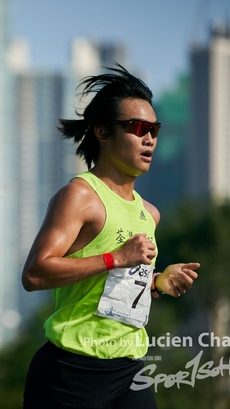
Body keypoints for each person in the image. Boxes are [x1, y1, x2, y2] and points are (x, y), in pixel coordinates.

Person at [21, 64, 200, 408]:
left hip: (130, 369)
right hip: (71, 371)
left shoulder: (150, 214)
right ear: (102, 132)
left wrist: (156, 281)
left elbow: (117, 284)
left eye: (155, 129)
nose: (149, 138)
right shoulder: (80, 196)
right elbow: (35, 273)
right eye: (137, 128)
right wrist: (115, 258)